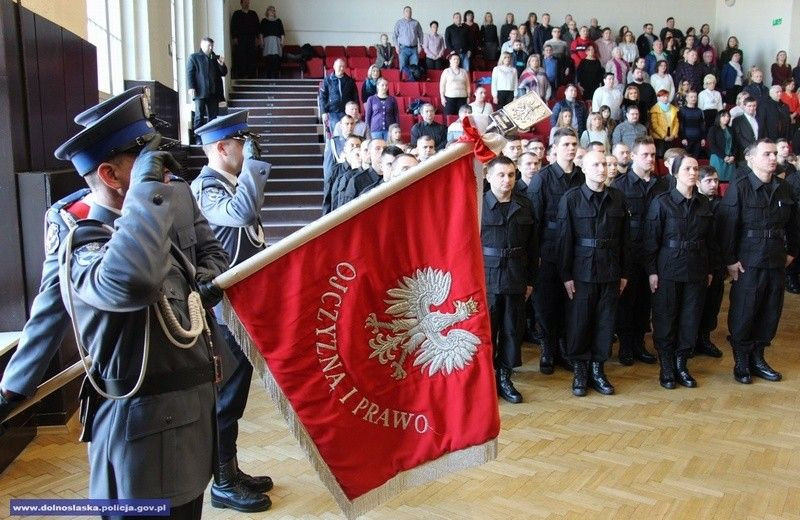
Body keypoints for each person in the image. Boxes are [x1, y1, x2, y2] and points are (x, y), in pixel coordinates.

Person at [50, 94, 222, 518]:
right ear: (109, 174)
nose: (160, 169)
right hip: (145, 439)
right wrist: (145, 191)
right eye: (143, 160)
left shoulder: (157, 216)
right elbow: (133, 280)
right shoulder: (84, 241)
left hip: (187, 423)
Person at [190, 112, 274, 512]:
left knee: (235, 395)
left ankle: (231, 469)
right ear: (222, 148)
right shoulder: (207, 188)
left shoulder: (229, 183)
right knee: (225, 397)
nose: (246, 150)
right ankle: (221, 482)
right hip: (224, 313)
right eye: (241, 143)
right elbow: (240, 214)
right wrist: (254, 166)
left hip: (243, 306)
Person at [718, 139, 799, 384]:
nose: (773, 158)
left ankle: (758, 357)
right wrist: (730, 261)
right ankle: (741, 360)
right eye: (766, 154)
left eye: (775, 153)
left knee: (770, 310)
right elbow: (727, 227)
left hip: (776, 259)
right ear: (751, 159)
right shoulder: (740, 187)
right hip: (748, 261)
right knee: (745, 310)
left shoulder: (784, 188)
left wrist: (792, 252)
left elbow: (794, 224)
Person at [558, 149, 629, 396]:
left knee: (605, 321)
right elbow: (564, 239)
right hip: (581, 271)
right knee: (580, 321)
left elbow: (625, 240)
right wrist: (566, 275)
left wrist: (624, 273)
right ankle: (580, 370)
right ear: (584, 169)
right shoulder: (571, 198)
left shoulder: (618, 198)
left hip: (610, 270)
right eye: (596, 164)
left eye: (604, 164)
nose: (602, 169)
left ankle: (598, 369)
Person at [644, 155, 717, 389]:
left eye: (695, 168)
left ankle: (681, 364)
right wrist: (652, 271)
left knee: (690, 318)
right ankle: (666, 365)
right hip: (668, 268)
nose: (693, 172)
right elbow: (651, 241)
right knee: (666, 317)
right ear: (675, 173)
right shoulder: (661, 202)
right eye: (687, 168)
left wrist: (708, 269)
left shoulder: (704, 203)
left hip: (696, 268)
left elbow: (709, 240)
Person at [526, 128, 585, 374]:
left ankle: (564, 348)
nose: (571, 148)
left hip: (575, 250)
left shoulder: (583, 176)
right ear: (555, 149)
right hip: (548, 248)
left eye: (574, 144)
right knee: (546, 302)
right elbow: (533, 220)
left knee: (568, 302)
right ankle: (547, 349)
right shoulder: (543, 178)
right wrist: (535, 253)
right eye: (566, 144)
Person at [482, 155, 537, 403]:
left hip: (516, 275)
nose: (507, 180)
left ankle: (504, 376)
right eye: (501, 175)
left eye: (511, 175)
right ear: (488, 176)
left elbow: (534, 246)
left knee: (512, 329)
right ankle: (485, 379)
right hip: (487, 278)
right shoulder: (478, 204)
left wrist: (530, 281)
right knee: (486, 331)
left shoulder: (525, 205)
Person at [612, 136, 668, 365]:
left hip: (654, 252)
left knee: (646, 302)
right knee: (627, 302)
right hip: (629, 252)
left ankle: (639, 344)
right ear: (633, 156)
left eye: (653, 155)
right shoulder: (620, 185)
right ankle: (625, 346)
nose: (649, 159)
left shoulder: (663, 184)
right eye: (645, 154)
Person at [694, 165, 726, 357]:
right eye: (708, 181)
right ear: (698, 182)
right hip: (697, 261)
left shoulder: (724, 204)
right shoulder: (694, 203)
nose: (714, 184)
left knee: (712, 303)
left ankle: (704, 339)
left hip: (717, 262)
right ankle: (689, 340)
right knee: (695, 303)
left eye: (716, 180)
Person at [187, 37, 228, 136]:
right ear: (202, 45)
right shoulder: (194, 57)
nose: (210, 48)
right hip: (200, 91)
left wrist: (222, 65)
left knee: (213, 117)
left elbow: (223, 73)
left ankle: (211, 137)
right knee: (198, 116)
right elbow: (190, 73)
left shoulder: (216, 58)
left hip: (213, 92)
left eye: (212, 46)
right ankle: (198, 137)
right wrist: (191, 87)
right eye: (208, 45)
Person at [319, 58, 358, 134]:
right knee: (336, 134)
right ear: (334, 66)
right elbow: (322, 98)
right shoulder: (327, 80)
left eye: (343, 66)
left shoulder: (350, 81)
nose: (341, 68)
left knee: (349, 134)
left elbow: (355, 96)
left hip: (347, 112)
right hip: (333, 112)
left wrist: (357, 111)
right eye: (339, 66)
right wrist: (323, 112)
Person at [230, 0, 260, 78]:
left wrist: (257, 38)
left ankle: (251, 76)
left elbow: (257, 26)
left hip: (251, 38)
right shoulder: (236, 14)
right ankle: (241, 75)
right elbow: (233, 26)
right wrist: (234, 37)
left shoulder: (253, 14)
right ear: (241, 3)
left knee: (252, 57)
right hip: (240, 39)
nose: (247, 4)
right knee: (241, 57)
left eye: (248, 2)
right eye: (245, 2)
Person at [393, 6, 423, 81]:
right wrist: (396, 46)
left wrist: (420, 45)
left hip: (414, 49)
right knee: (403, 67)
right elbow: (394, 36)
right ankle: (402, 84)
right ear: (403, 13)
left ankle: (412, 85)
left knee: (415, 68)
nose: (408, 12)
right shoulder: (399, 23)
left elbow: (421, 34)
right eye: (407, 11)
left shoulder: (416, 23)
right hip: (403, 49)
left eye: (410, 11)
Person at [649, 89, 680, 157]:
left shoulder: (673, 108)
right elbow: (654, 125)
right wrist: (664, 136)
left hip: (671, 137)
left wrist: (673, 135)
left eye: (667, 96)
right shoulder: (654, 109)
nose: (665, 98)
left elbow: (676, 123)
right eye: (663, 96)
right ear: (658, 97)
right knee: (660, 156)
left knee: (671, 156)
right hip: (659, 138)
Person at [708, 110, 736, 181]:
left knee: (731, 182)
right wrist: (724, 156)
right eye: (723, 116)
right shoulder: (713, 129)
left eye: (728, 116)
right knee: (717, 180)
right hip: (718, 157)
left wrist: (733, 156)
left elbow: (735, 145)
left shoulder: (731, 129)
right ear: (718, 117)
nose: (726, 118)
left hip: (730, 159)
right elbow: (712, 145)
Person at [732, 96, 761, 161]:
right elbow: (738, 137)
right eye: (749, 106)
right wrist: (751, 149)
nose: (752, 108)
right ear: (744, 106)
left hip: (758, 153)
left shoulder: (758, 119)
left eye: (754, 106)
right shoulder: (737, 120)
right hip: (744, 153)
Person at [259, 6, 284, 79]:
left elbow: (282, 33)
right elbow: (261, 33)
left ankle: (276, 79)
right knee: (268, 60)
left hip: (276, 43)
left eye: (274, 10)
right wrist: (261, 42)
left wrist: (282, 41)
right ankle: (268, 79)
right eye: (271, 10)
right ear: (267, 11)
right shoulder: (264, 21)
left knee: (276, 60)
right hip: (267, 43)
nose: (273, 12)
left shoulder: (278, 21)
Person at [678, 91, 706, 156]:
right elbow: (681, 125)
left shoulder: (699, 111)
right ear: (687, 98)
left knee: (696, 159)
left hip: (697, 139)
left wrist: (703, 138)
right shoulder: (682, 110)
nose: (694, 98)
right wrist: (683, 138)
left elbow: (702, 125)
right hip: (687, 139)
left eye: (695, 97)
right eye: (691, 97)